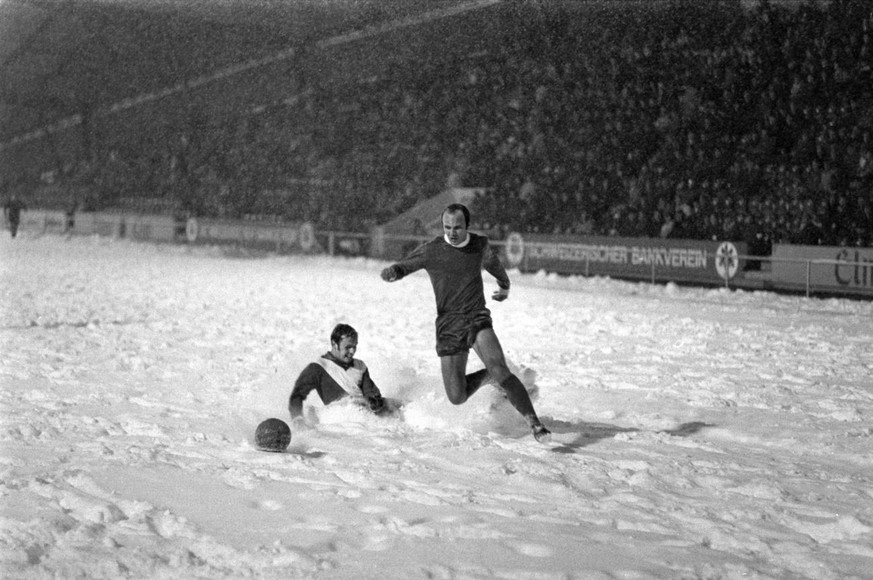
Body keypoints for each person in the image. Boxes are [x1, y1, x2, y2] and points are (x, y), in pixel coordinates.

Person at [380, 203, 551, 442]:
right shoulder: (432, 250)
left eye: (457, 227)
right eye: (447, 227)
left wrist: (504, 284)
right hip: (449, 325)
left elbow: (492, 263)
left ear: (467, 226)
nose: (451, 232)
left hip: (476, 318)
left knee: (501, 368)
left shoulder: (479, 245)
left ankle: (535, 424)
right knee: (457, 396)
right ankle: (486, 377)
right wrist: (394, 271)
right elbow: (407, 264)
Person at [288, 323, 385, 425]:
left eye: (354, 346)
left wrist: (375, 402)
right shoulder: (317, 368)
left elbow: (371, 394)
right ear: (334, 344)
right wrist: (297, 419)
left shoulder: (360, 366)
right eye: (348, 347)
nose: (352, 351)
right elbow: (296, 396)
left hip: (366, 424)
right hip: (337, 428)